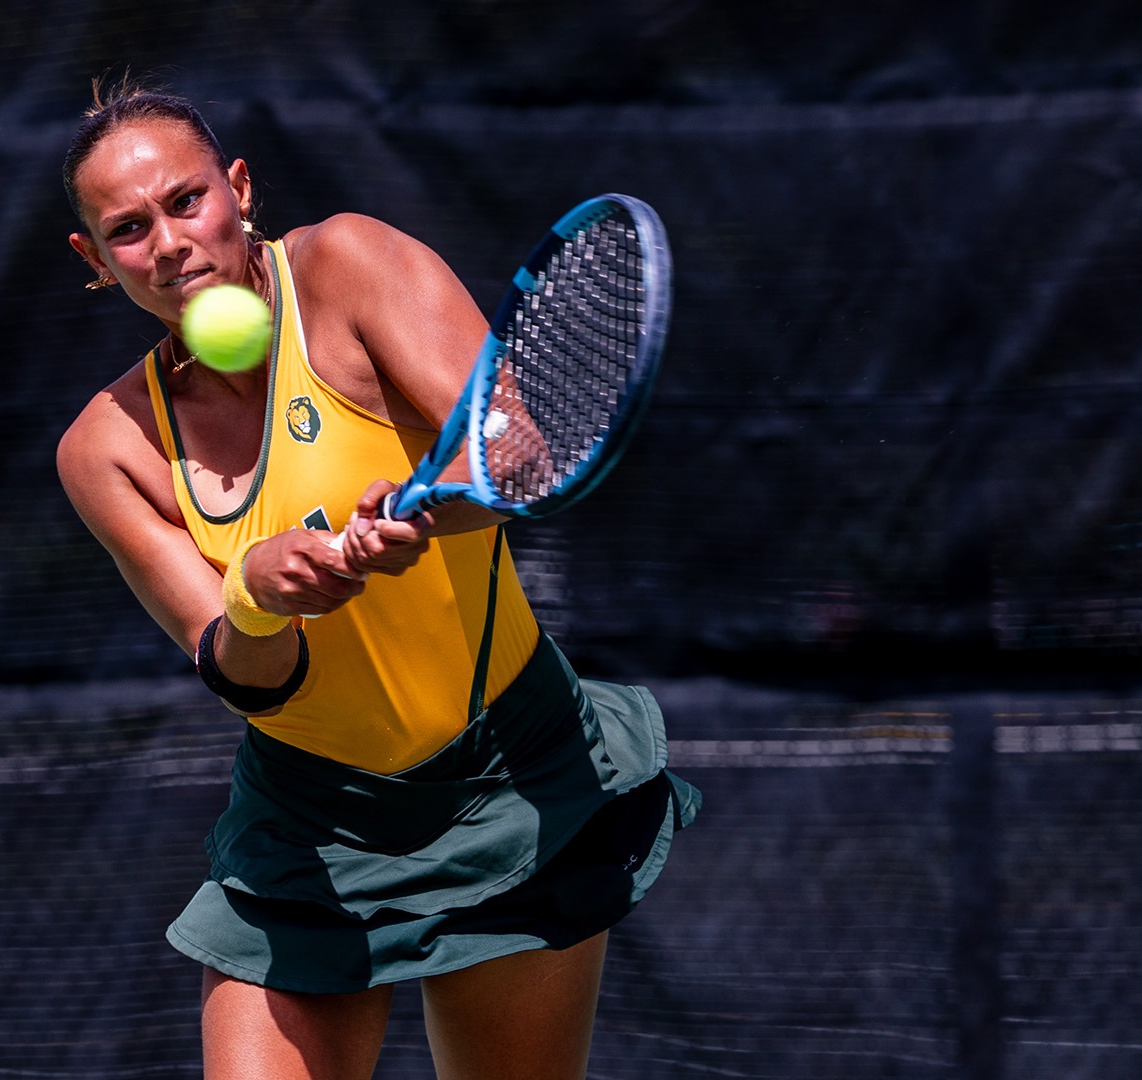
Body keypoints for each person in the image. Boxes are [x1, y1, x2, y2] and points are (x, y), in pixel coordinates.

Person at [55, 79, 699, 1080]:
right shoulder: (107, 449)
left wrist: (425, 508)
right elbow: (241, 670)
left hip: (513, 780)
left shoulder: (350, 265)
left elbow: (515, 455)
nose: (171, 242)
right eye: (128, 228)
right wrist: (260, 594)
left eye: (186, 201)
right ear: (95, 261)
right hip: (309, 826)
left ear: (238, 189)